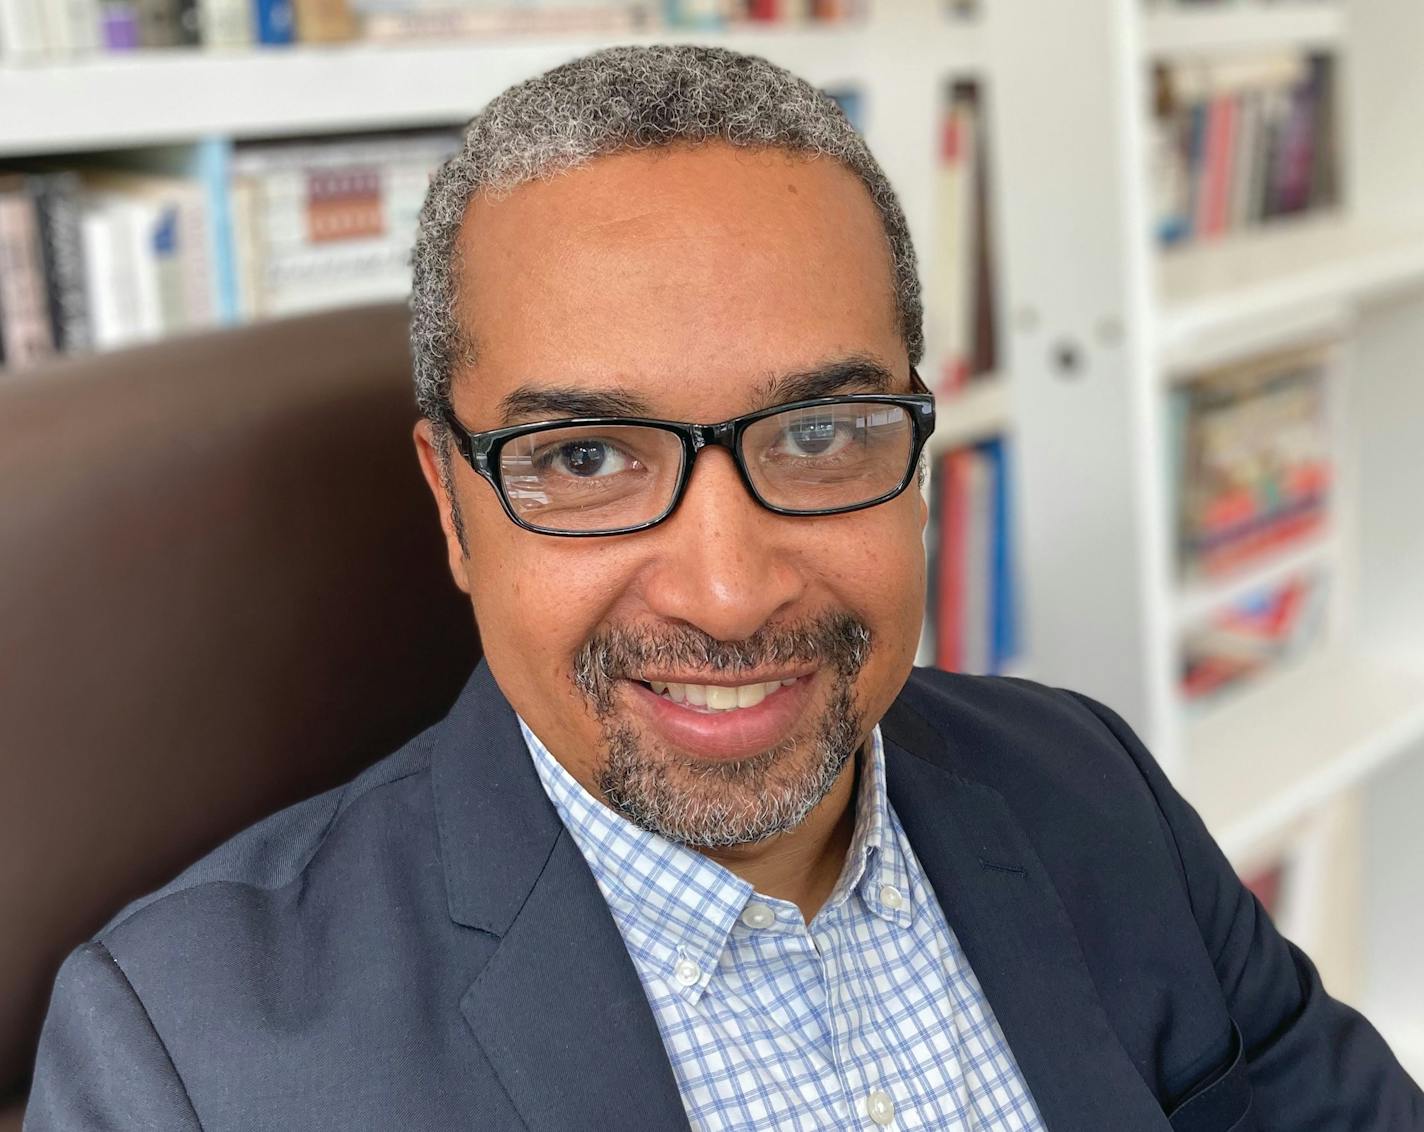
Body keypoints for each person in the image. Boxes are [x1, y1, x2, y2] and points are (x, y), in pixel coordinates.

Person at [26, 44, 1422, 1132]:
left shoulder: (1086, 785)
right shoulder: (186, 1059)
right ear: (452, 508)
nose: (728, 587)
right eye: (583, 456)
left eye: (819, 436)